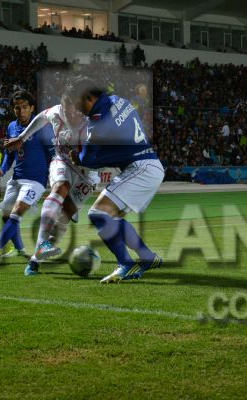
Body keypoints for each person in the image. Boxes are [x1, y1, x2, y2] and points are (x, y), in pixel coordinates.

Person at [66, 78, 164, 283]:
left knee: (98, 214)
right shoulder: (120, 101)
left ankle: (125, 264)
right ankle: (147, 257)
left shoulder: (97, 123)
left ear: (89, 98)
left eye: (78, 103)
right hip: (148, 164)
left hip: (141, 167)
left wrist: (78, 157)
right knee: (114, 217)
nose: (77, 109)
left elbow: (89, 160)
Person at [5, 93, 100, 276]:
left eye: (72, 111)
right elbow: (41, 118)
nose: (68, 114)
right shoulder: (56, 112)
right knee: (59, 187)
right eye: (65, 110)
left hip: (88, 173)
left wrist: (84, 158)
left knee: (65, 215)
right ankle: (41, 247)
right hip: (62, 161)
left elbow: (106, 153)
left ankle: (36, 259)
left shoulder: (93, 122)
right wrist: (22, 137)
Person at [0, 90, 54, 263]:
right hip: (17, 178)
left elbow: (52, 153)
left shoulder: (43, 126)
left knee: (17, 211)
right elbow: (9, 153)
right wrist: (2, 169)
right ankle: (19, 249)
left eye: (24, 107)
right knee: (6, 215)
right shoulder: (11, 127)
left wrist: (55, 177)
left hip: (36, 180)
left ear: (32, 108)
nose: (21, 111)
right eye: (17, 107)